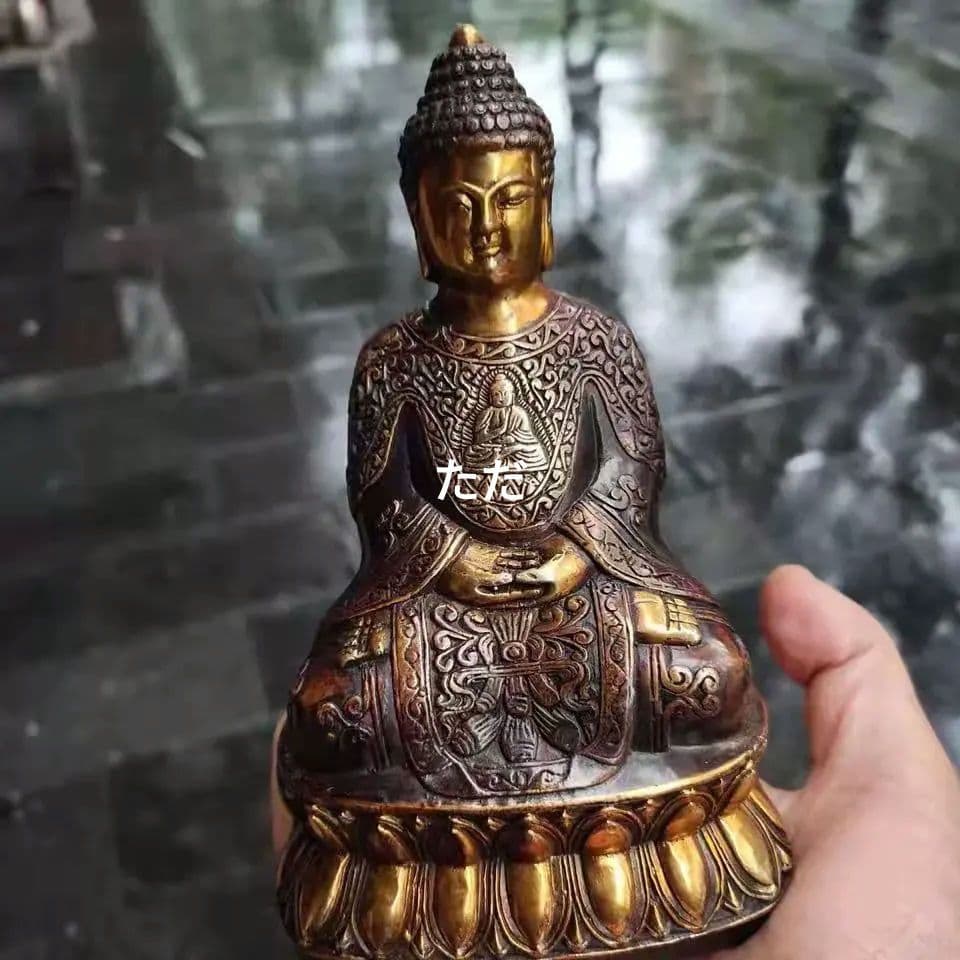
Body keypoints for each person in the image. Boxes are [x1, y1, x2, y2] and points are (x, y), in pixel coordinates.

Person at [269, 564, 960, 957]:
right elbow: (389, 524)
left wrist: (565, 564)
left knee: (707, 674)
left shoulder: (603, 357)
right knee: (341, 707)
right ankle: (628, 853)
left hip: (588, 589)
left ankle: (426, 870)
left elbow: (625, 497)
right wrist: (457, 566)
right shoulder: (395, 367)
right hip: (437, 602)